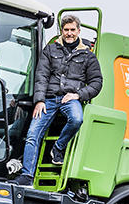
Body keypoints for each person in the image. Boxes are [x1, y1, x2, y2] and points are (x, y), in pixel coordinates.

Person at [16, 14, 103, 184]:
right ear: (61, 31)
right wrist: (39, 100)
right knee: (33, 134)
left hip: (70, 99)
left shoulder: (88, 56)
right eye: (66, 30)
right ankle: (27, 176)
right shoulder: (50, 50)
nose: (69, 33)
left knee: (77, 119)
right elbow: (41, 75)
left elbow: (97, 82)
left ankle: (58, 148)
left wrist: (78, 95)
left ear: (78, 31)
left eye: (72, 30)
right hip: (48, 99)